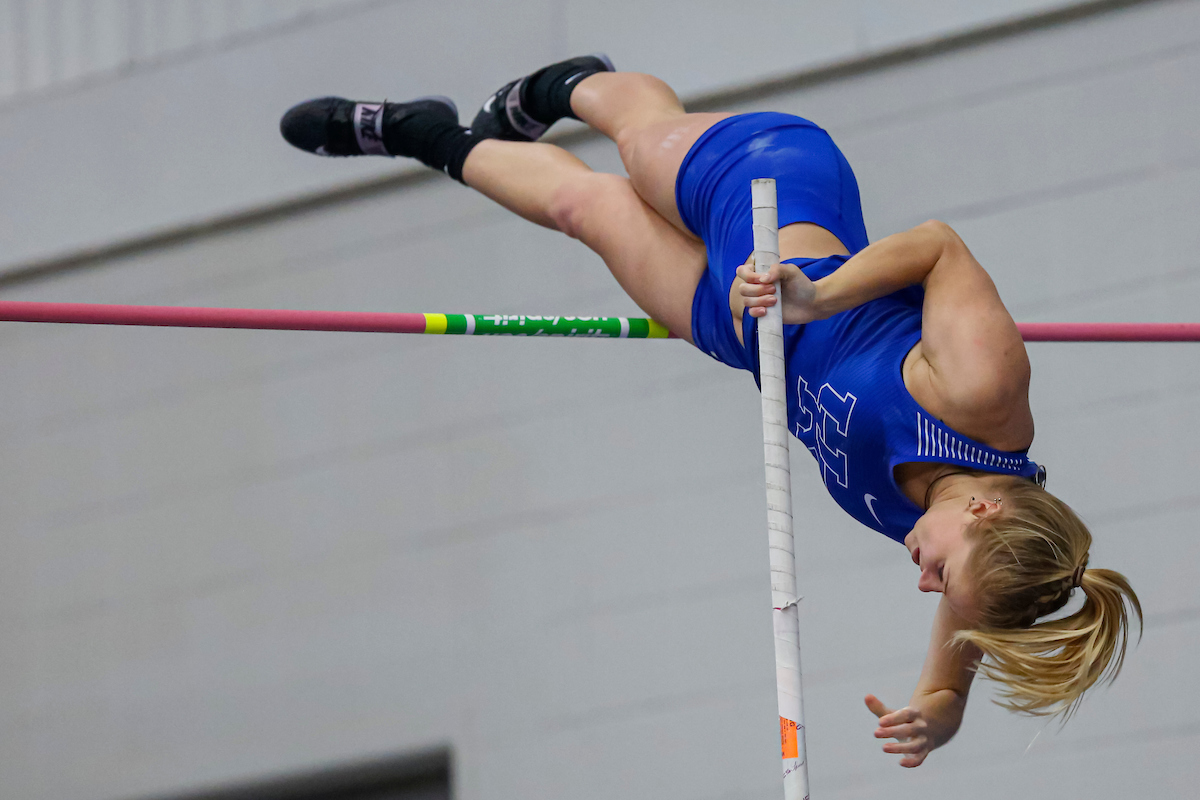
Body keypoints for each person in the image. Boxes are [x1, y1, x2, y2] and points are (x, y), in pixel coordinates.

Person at [280, 56, 1142, 767]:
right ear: (986, 510)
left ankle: (414, 130)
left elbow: (966, 610)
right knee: (645, 147)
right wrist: (816, 295)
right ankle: (560, 87)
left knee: (587, 208)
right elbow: (941, 247)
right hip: (778, 214)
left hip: (740, 330)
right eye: (939, 577)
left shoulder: (954, 533)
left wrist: (943, 704)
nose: (923, 585)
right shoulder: (984, 400)